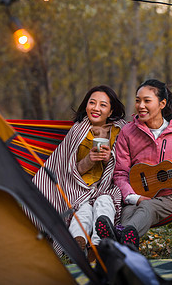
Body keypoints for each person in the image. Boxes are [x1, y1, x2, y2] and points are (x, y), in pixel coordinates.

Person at [96, 79, 172, 249]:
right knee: (127, 215)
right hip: (136, 195)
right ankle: (124, 247)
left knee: (147, 208)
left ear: (162, 103)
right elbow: (120, 172)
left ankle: (112, 241)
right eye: (137, 100)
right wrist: (133, 197)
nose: (140, 105)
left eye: (147, 101)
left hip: (170, 197)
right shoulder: (128, 132)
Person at [32, 85, 126, 261]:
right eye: (92, 103)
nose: (96, 108)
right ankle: (77, 243)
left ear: (111, 110)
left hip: (106, 188)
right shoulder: (78, 130)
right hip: (79, 188)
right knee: (83, 210)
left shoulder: (121, 131)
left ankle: (97, 246)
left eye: (103, 105)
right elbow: (68, 169)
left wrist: (108, 159)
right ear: (86, 105)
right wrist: (90, 160)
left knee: (104, 204)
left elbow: (125, 166)